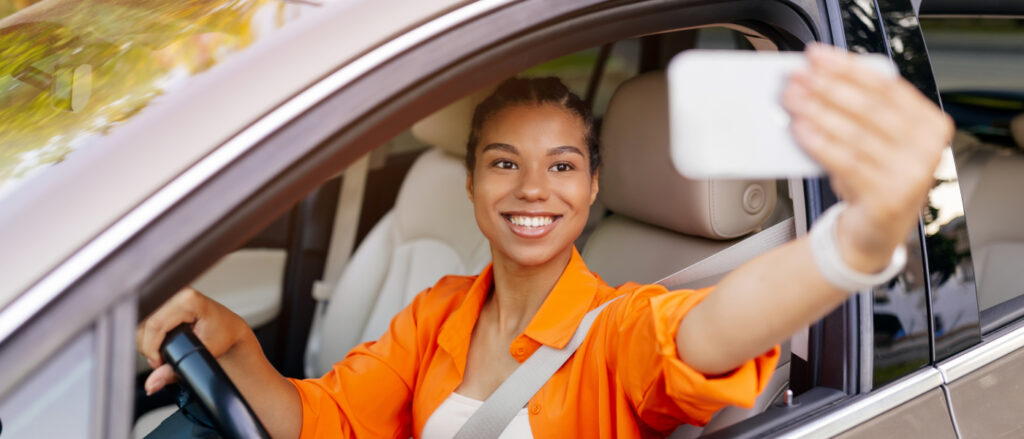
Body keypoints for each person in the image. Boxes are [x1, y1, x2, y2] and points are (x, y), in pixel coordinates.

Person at [136, 44, 953, 438]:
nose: (533, 189)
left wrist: (859, 236)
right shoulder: (439, 313)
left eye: (562, 165)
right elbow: (320, 421)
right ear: (471, 185)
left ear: (592, 187)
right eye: (505, 163)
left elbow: (709, 330)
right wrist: (238, 347)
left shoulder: (615, 327)